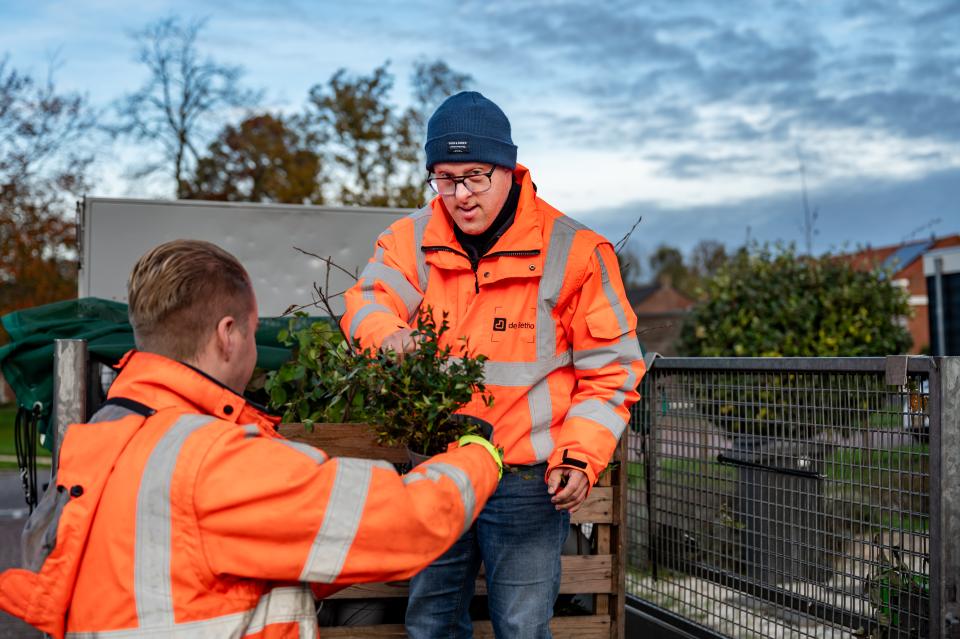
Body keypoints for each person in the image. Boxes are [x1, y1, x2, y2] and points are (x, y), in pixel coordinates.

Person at [0, 239, 503, 638]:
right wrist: (478, 454)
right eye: (252, 329)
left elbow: (201, 562)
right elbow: (407, 521)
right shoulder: (211, 458)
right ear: (228, 334)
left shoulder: (102, 435)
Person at [341, 91, 645, 638]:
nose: (460, 195)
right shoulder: (409, 240)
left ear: (509, 169)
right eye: (444, 178)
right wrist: (390, 338)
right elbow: (367, 303)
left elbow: (612, 371)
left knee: (522, 627)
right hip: (438, 467)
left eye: (475, 177)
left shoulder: (576, 252)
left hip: (527, 480)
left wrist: (579, 456)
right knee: (431, 623)